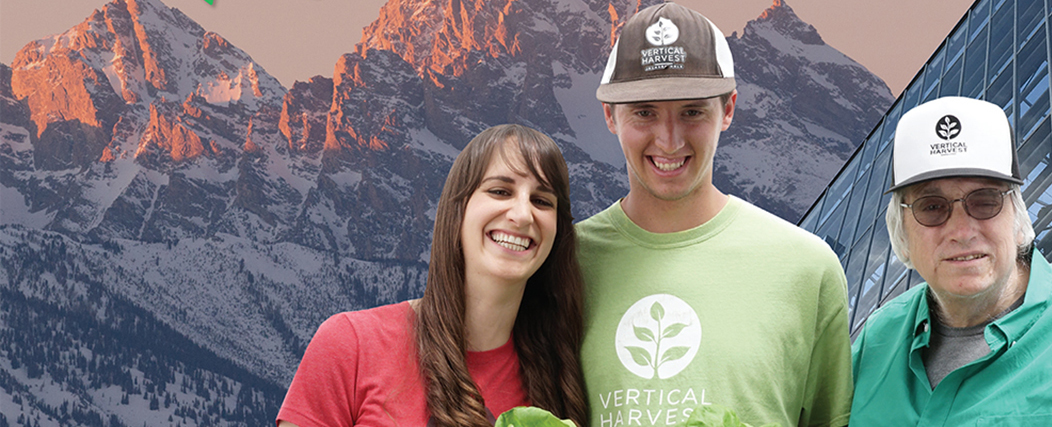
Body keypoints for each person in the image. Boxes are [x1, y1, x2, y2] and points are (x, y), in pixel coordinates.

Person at [576, 3, 852, 427]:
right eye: (644, 111)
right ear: (610, 115)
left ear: (728, 109)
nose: (669, 140)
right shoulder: (563, 264)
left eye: (692, 112)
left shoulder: (807, 269)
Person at [848, 96, 1052, 425]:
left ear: (1017, 216)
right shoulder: (875, 341)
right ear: (901, 231)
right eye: (932, 207)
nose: (961, 231)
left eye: (984, 201)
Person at [277, 124, 589, 427]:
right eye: (500, 191)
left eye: (542, 201)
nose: (522, 214)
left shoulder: (562, 377)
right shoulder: (350, 344)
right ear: (458, 210)